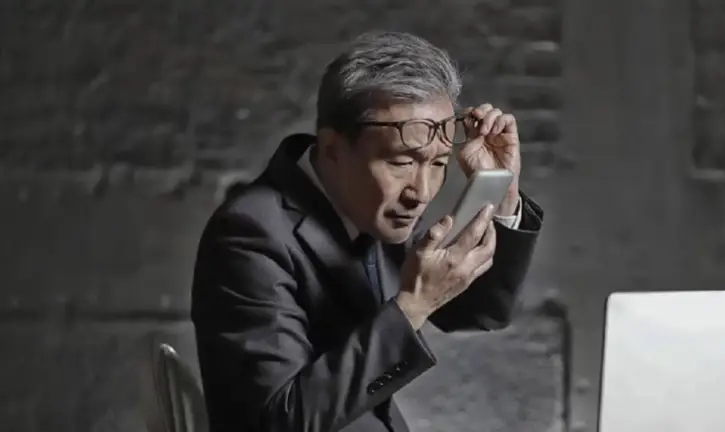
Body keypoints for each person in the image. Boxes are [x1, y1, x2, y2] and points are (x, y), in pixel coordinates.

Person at [191, 31, 544, 432]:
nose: (421, 192)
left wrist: (501, 191)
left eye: (438, 164)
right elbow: (279, 422)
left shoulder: (369, 205)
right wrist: (413, 306)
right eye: (401, 163)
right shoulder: (249, 235)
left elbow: (479, 312)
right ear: (332, 150)